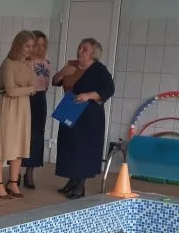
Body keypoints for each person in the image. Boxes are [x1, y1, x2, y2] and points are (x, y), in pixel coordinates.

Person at [54, 38, 115, 199]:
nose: (80, 51)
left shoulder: (99, 70)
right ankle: (72, 180)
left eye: (84, 49)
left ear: (93, 54)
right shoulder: (72, 65)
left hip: (88, 116)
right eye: (79, 48)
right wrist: (63, 73)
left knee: (83, 149)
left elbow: (109, 89)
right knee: (69, 147)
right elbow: (55, 81)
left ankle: (80, 186)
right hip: (70, 109)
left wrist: (88, 95)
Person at [0, 31, 36, 199]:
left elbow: (33, 85)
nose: (30, 49)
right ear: (18, 45)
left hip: (23, 107)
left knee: (19, 143)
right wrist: (28, 89)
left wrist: (23, 89)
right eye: (27, 46)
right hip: (8, 107)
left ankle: (13, 182)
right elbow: (10, 90)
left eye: (32, 46)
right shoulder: (8, 63)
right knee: (3, 143)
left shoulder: (28, 64)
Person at [22, 31, 53, 189]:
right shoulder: (24, 62)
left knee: (36, 137)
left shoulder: (46, 63)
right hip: (25, 98)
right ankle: (15, 172)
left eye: (43, 45)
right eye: (36, 45)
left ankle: (29, 172)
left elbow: (46, 85)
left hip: (40, 100)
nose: (39, 48)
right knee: (21, 135)